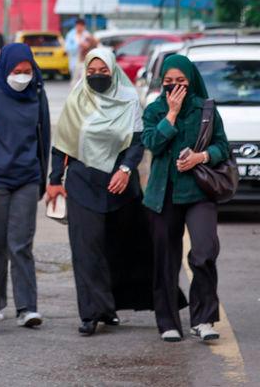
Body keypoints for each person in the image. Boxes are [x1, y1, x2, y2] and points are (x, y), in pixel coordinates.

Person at [46, 48, 154, 336]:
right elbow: (62, 144)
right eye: (91, 72)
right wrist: (54, 179)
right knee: (86, 249)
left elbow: (137, 140)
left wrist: (126, 169)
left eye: (103, 71)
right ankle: (90, 313)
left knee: (117, 249)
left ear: (113, 70)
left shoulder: (129, 99)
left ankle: (110, 307)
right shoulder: (77, 98)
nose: (96, 76)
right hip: (82, 182)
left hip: (120, 185)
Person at [142, 54, 229, 343]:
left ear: (191, 81)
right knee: (165, 259)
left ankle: (203, 319)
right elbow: (152, 142)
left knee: (204, 252)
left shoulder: (205, 109)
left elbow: (222, 147)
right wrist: (171, 114)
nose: (175, 87)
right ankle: (167, 321)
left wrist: (200, 157)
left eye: (181, 82)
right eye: (168, 82)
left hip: (198, 191)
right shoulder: (154, 109)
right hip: (162, 194)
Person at [0, 43, 51, 327]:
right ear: (6, 69)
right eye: (17, 71)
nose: (23, 76)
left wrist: (44, 177)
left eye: (27, 71)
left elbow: (45, 137)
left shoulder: (37, 93)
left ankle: (27, 307)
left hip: (27, 178)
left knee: (21, 245)